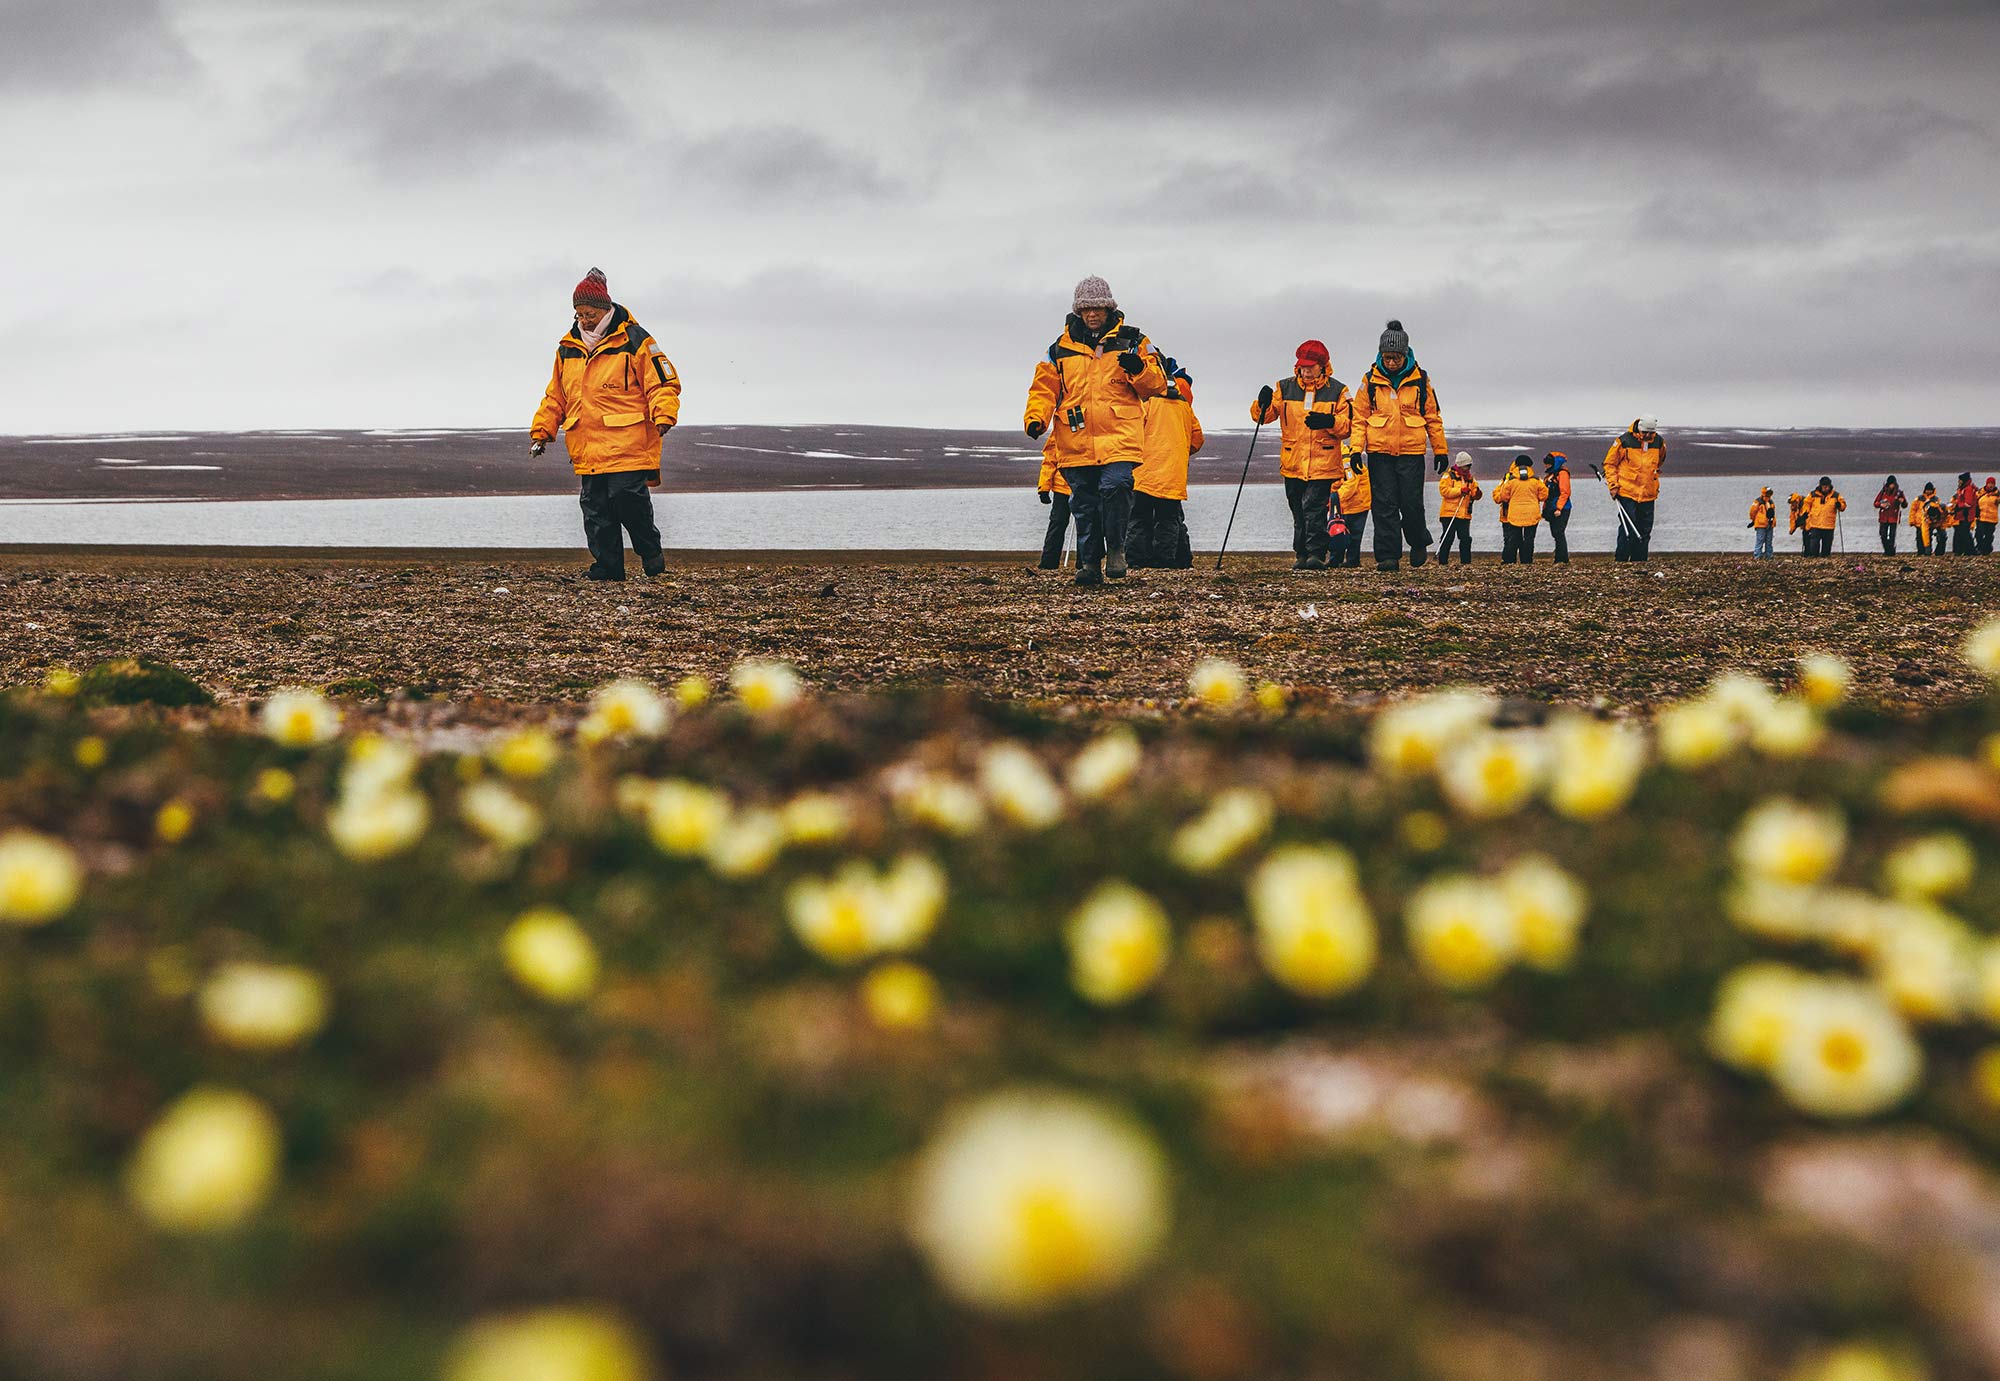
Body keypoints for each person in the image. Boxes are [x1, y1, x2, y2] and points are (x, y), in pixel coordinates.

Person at [529, 268, 682, 582]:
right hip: (587, 446)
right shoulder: (567, 348)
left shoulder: (637, 340)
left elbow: (663, 383)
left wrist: (664, 415)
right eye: (578, 313)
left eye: (588, 313)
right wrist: (542, 431)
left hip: (628, 441)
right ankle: (608, 569)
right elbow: (556, 395)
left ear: (604, 309)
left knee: (628, 499)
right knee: (595, 508)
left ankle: (650, 550)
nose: (583, 319)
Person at [1022, 276, 1168, 586]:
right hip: (1075, 437)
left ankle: (1115, 548)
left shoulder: (1135, 341)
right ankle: (1089, 563)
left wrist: (1139, 369)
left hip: (1120, 434)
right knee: (1083, 503)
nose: (1092, 314)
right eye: (1086, 309)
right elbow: (1044, 388)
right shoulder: (1059, 349)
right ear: (1078, 311)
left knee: (1117, 485)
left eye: (1098, 308)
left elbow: (1157, 383)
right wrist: (1037, 418)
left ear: (1109, 308)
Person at [1352, 320, 1448, 571]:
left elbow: (1433, 416)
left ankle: (1418, 542)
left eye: (1395, 357)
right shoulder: (1369, 380)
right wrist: (1355, 450)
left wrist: (1440, 449)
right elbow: (1359, 418)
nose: (1391, 362)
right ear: (1380, 354)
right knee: (1384, 505)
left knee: (1411, 503)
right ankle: (1387, 556)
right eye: (1387, 357)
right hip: (1379, 452)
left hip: (1411, 452)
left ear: (1405, 354)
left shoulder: (1421, 380)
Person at [1251, 340, 1351, 571]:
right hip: (1293, 461)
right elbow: (1263, 417)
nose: (1305, 371)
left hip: (1323, 461)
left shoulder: (1338, 390)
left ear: (1322, 366)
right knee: (1297, 509)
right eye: (1302, 366)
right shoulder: (1284, 387)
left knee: (1313, 508)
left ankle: (1316, 553)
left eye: (1310, 366)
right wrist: (1261, 403)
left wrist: (1329, 422)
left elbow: (1347, 426)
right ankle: (1302, 553)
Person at [1131, 358, 1203, 569]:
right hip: (1173, 475)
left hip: (1143, 473)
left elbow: (1133, 432)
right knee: (1169, 520)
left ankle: (1137, 561)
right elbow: (1197, 439)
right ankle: (1166, 561)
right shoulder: (1184, 406)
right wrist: (1179, 451)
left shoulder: (1146, 403)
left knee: (1139, 519)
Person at [1603, 416, 1665, 562]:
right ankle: (1621, 560)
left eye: (1651, 433)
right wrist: (1613, 485)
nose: (1648, 436)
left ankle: (1640, 561)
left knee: (1644, 530)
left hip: (1648, 493)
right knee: (1627, 529)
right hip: (1626, 492)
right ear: (1639, 428)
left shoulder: (1658, 442)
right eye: (1645, 433)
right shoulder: (1623, 441)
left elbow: (1660, 460)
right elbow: (1609, 464)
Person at [1493, 455, 1549, 565]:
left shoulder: (1510, 480)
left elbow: (1504, 496)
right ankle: (1527, 561)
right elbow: (1544, 495)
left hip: (1514, 513)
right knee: (1529, 539)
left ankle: (1510, 561)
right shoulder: (1536, 480)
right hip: (1532, 513)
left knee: (1514, 538)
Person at [1035, 431, 1073, 570]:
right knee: (1059, 523)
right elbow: (1050, 459)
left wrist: (1044, 487)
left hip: (1076, 485)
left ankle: (1086, 563)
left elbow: (1049, 460)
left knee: (1085, 525)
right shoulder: (1059, 432)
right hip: (1065, 486)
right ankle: (1049, 563)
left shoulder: (1060, 431)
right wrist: (1044, 488)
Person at [1330, 445, 1371, 568]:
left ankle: (1351, 560)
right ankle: (1337, 559)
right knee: (1339, 530)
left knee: (1353, 533)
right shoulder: (1340, 455)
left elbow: (1351, 483)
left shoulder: (1345, 458)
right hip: (1349, 502)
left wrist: (1335, 498)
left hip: (1357, 502)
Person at [1436, 455, 1481, 566]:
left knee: (1465, 538)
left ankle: (1466, 562)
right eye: (1467, 466)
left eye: (1469, 466)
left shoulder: (1470, 478)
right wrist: (1460, 491)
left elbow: (1474, 491)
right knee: (1448, 537)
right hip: (1449, 513)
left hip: (1464, 514)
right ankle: (1443, 561)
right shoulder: (1448, 476)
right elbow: (1444, 491)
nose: (1469, 468)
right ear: (1461, 465)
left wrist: (1477, 494)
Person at [1541, 452, 1574, 563]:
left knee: (1559, 533)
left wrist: (1559, 508)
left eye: (1548, 464)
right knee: (1556, 533)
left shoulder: (1562, 474)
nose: (1546, 466)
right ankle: (1559, 557)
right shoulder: (1550, 476)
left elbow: (1565, 492)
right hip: (1553, 508)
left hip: (1561, 508)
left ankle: (1562, 559)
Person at [1801, 477, 1845, 557]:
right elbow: (1806, 503)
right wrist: (1805, 512)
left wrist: (1840, 505)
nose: (1825, 488)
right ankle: (1814, 557)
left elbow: (1843, 506)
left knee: (1827, 546)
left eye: (1827, 486)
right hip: (1815, 524)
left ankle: (1825, 557)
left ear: (1830, 486)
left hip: (1828, 525)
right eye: (1824, 486)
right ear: (1820, 486)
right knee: (1814, 544)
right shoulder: (1813, 494)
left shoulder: (1835, 495)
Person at [1872, 476, 1907, 554]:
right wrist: (1881, 505)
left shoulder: (1899, 493)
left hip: (1893, 517)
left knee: (1892, 536)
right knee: (1883, 534)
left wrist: (1903, 501)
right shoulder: (1883, 492)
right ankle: (1888, 550)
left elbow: (1905, 505)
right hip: (1883, 517)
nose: (1892, 486)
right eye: (1891, 484)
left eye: (1893, 484)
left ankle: (1890, 552)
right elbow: (1875, 503)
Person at [1951, 472, 1980, 556]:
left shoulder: (1968, 489)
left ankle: (1970, 551)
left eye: (1960, 480)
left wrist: (1958, 506)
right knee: (1961, 532)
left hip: (1966, 515)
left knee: (1964, 533)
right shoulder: (1963, 489)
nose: (1959, 482)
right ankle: (1963, 550)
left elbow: (1968, 503)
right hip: (1962, 515)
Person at [1748, 486, 1776, 560]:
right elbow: (1752, 512)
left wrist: (1772, 521)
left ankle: (1769, 555)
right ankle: (1757, 556)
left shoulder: (1771, 502)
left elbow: (1772, 513)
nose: (1769, 495)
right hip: (1761, 524)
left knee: (1769, 541)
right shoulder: (1758, 502)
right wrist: (1753, 520)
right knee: (1760, 540)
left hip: (1770, 524)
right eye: (1768, 493)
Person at [1911, 483, 1938, 555]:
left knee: (1928, 537)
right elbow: (1913, 510)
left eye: (1930, 490)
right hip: (1919, 521)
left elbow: (1937, 510)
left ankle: (1927, 551)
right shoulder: (1919, 498)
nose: (1928, 492)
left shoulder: (1935, 499)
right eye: (1927, 490)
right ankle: (1920, 551)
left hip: (1929, 521)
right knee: (1919, 537)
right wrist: (1912, 520)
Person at [1978, 476, 1999, 555]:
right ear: (1986, 484)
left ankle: (1986, 551)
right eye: (1989, 483)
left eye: (1992, 484)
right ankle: (1980, 548)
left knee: (1989, 536)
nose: (1991, 485)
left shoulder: (1997, 494)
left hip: (1992, 519)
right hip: (1981, 518)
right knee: (1979, 534)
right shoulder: (1980, 492)